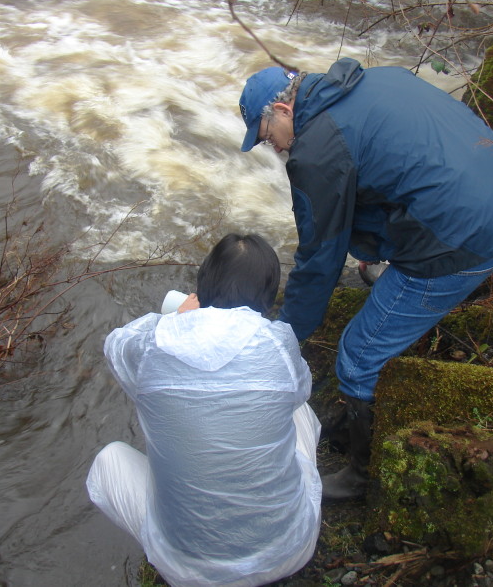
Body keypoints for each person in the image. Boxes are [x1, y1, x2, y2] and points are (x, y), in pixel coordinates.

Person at [239, 58, 493, 500]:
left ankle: (362, 473)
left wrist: (283, 337)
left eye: (267, 139)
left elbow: (319, 259)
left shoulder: (316, 151)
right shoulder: (376, 79)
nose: (275, 149)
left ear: (282, 111)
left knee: (357, 354)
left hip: (465, 240)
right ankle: (382, 278)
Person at [86, 233, 322, 587]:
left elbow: (114, 345)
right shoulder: (277, 341)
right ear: (268, 294)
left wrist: (171, 319)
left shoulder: (154, 344)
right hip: (288, 550)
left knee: (108, 460)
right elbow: (301, 391)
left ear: (204, 281)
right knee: (299, 410)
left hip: (189, 572)